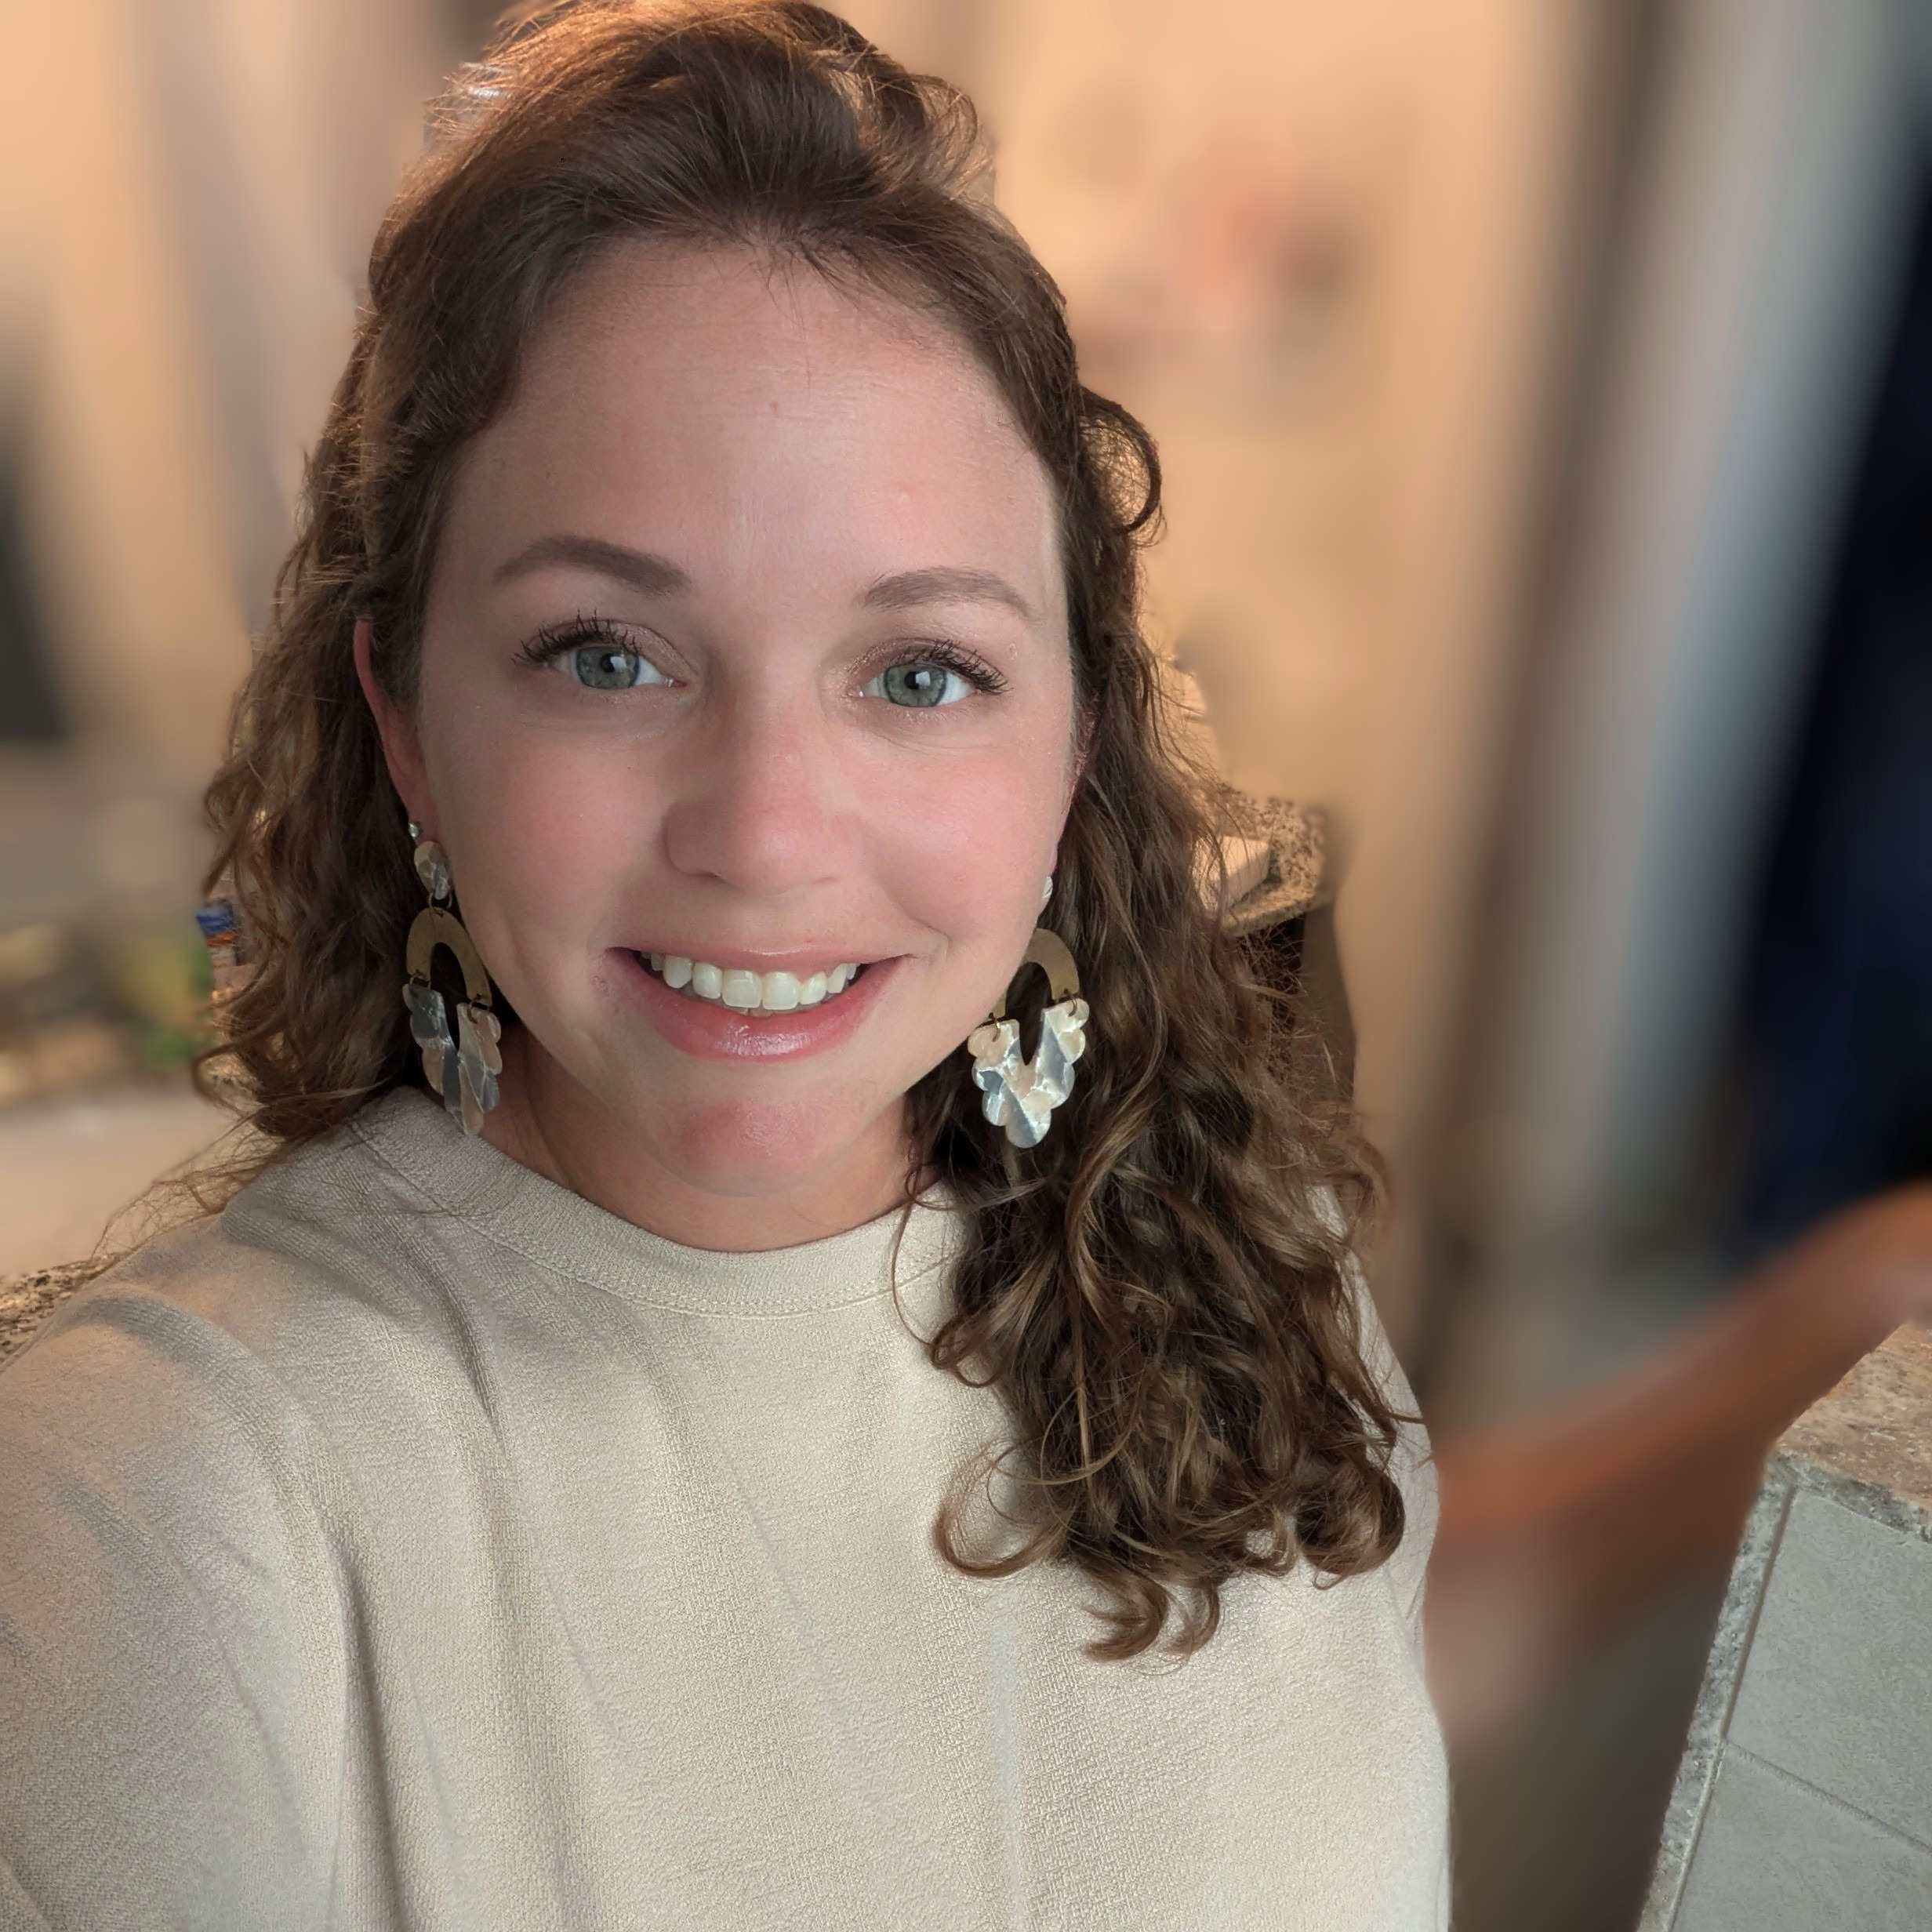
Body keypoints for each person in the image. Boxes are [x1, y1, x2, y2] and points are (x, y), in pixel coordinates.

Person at [0, 5, 1447, 1925]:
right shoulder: (158, 1508)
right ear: (405, 720)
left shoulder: (1248, 1256)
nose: (764, 835)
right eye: (609, 654)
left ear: (1072, 746)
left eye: (918, 670)